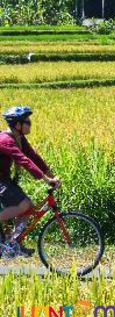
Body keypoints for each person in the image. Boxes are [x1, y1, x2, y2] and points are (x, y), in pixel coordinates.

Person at [0, 106, 60, 256]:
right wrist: (46, 179)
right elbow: (24, 161)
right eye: (27, 121)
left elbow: (34, 157)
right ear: (17, 124)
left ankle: (13, 244)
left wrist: (52, 176)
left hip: (4, 180)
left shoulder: (19, 138)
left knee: (29, 209)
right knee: (24, 204)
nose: (30, 123)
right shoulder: (5, 140)